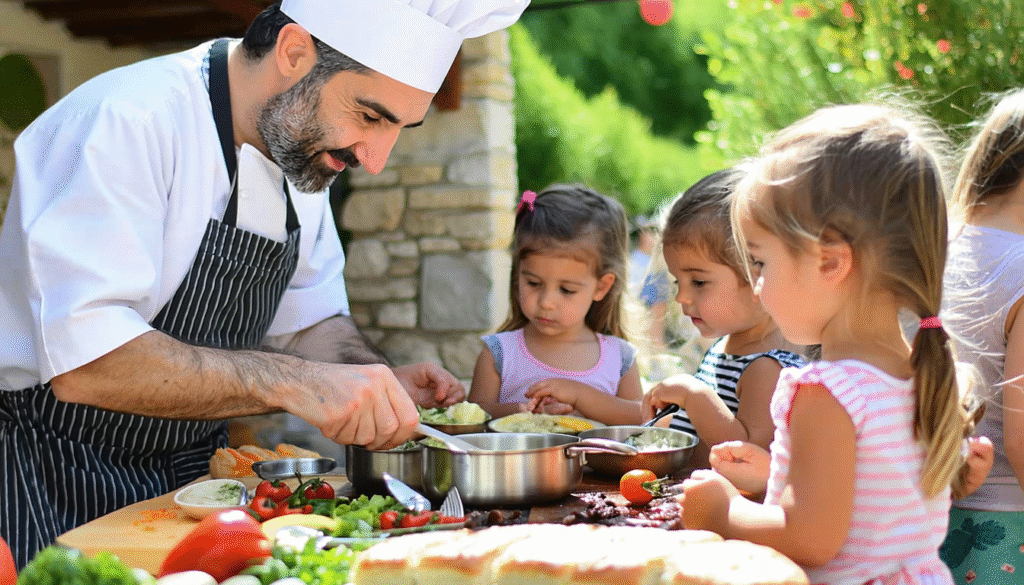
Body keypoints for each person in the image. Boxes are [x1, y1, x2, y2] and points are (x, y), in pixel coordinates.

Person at [0, 0, 529, 568]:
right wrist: (297, 383)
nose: (375, 159)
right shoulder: (127, 120)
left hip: (191, 491)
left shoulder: (302, 158)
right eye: (371, 116)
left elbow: (310, 323)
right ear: (294, 52)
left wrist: (369, 380)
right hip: (52, 476)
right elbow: (88, 364)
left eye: (400, 128)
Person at [678, 103, 979, 584]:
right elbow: (878, 494)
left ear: (830, 263)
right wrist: (775, 470)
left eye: (760, 263)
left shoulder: (828, 391)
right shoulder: (924, 374)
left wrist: (723, 511)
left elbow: (811, 539)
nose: (757, 286)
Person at [640, 167, 806, 470]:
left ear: (756, 276)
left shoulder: (767, 366)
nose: (681, 298)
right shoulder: (723, 348)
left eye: (698, 282)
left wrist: (694, 395)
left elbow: (749, 460)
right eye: (678, 282)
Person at [938, 88, 1024, 583]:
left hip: (930, 513)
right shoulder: (1021, 271)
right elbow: (1023, 434)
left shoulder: (940, 248)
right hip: (1008, 528)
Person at [468, 185, 644, 425]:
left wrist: (581, 397)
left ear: (601, 287)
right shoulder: (499, 354)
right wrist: (521, 411)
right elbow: (471, 421)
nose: (546, 302)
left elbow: (643, 419)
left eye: (566, 290)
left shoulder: (619, 358)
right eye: (533, 283)